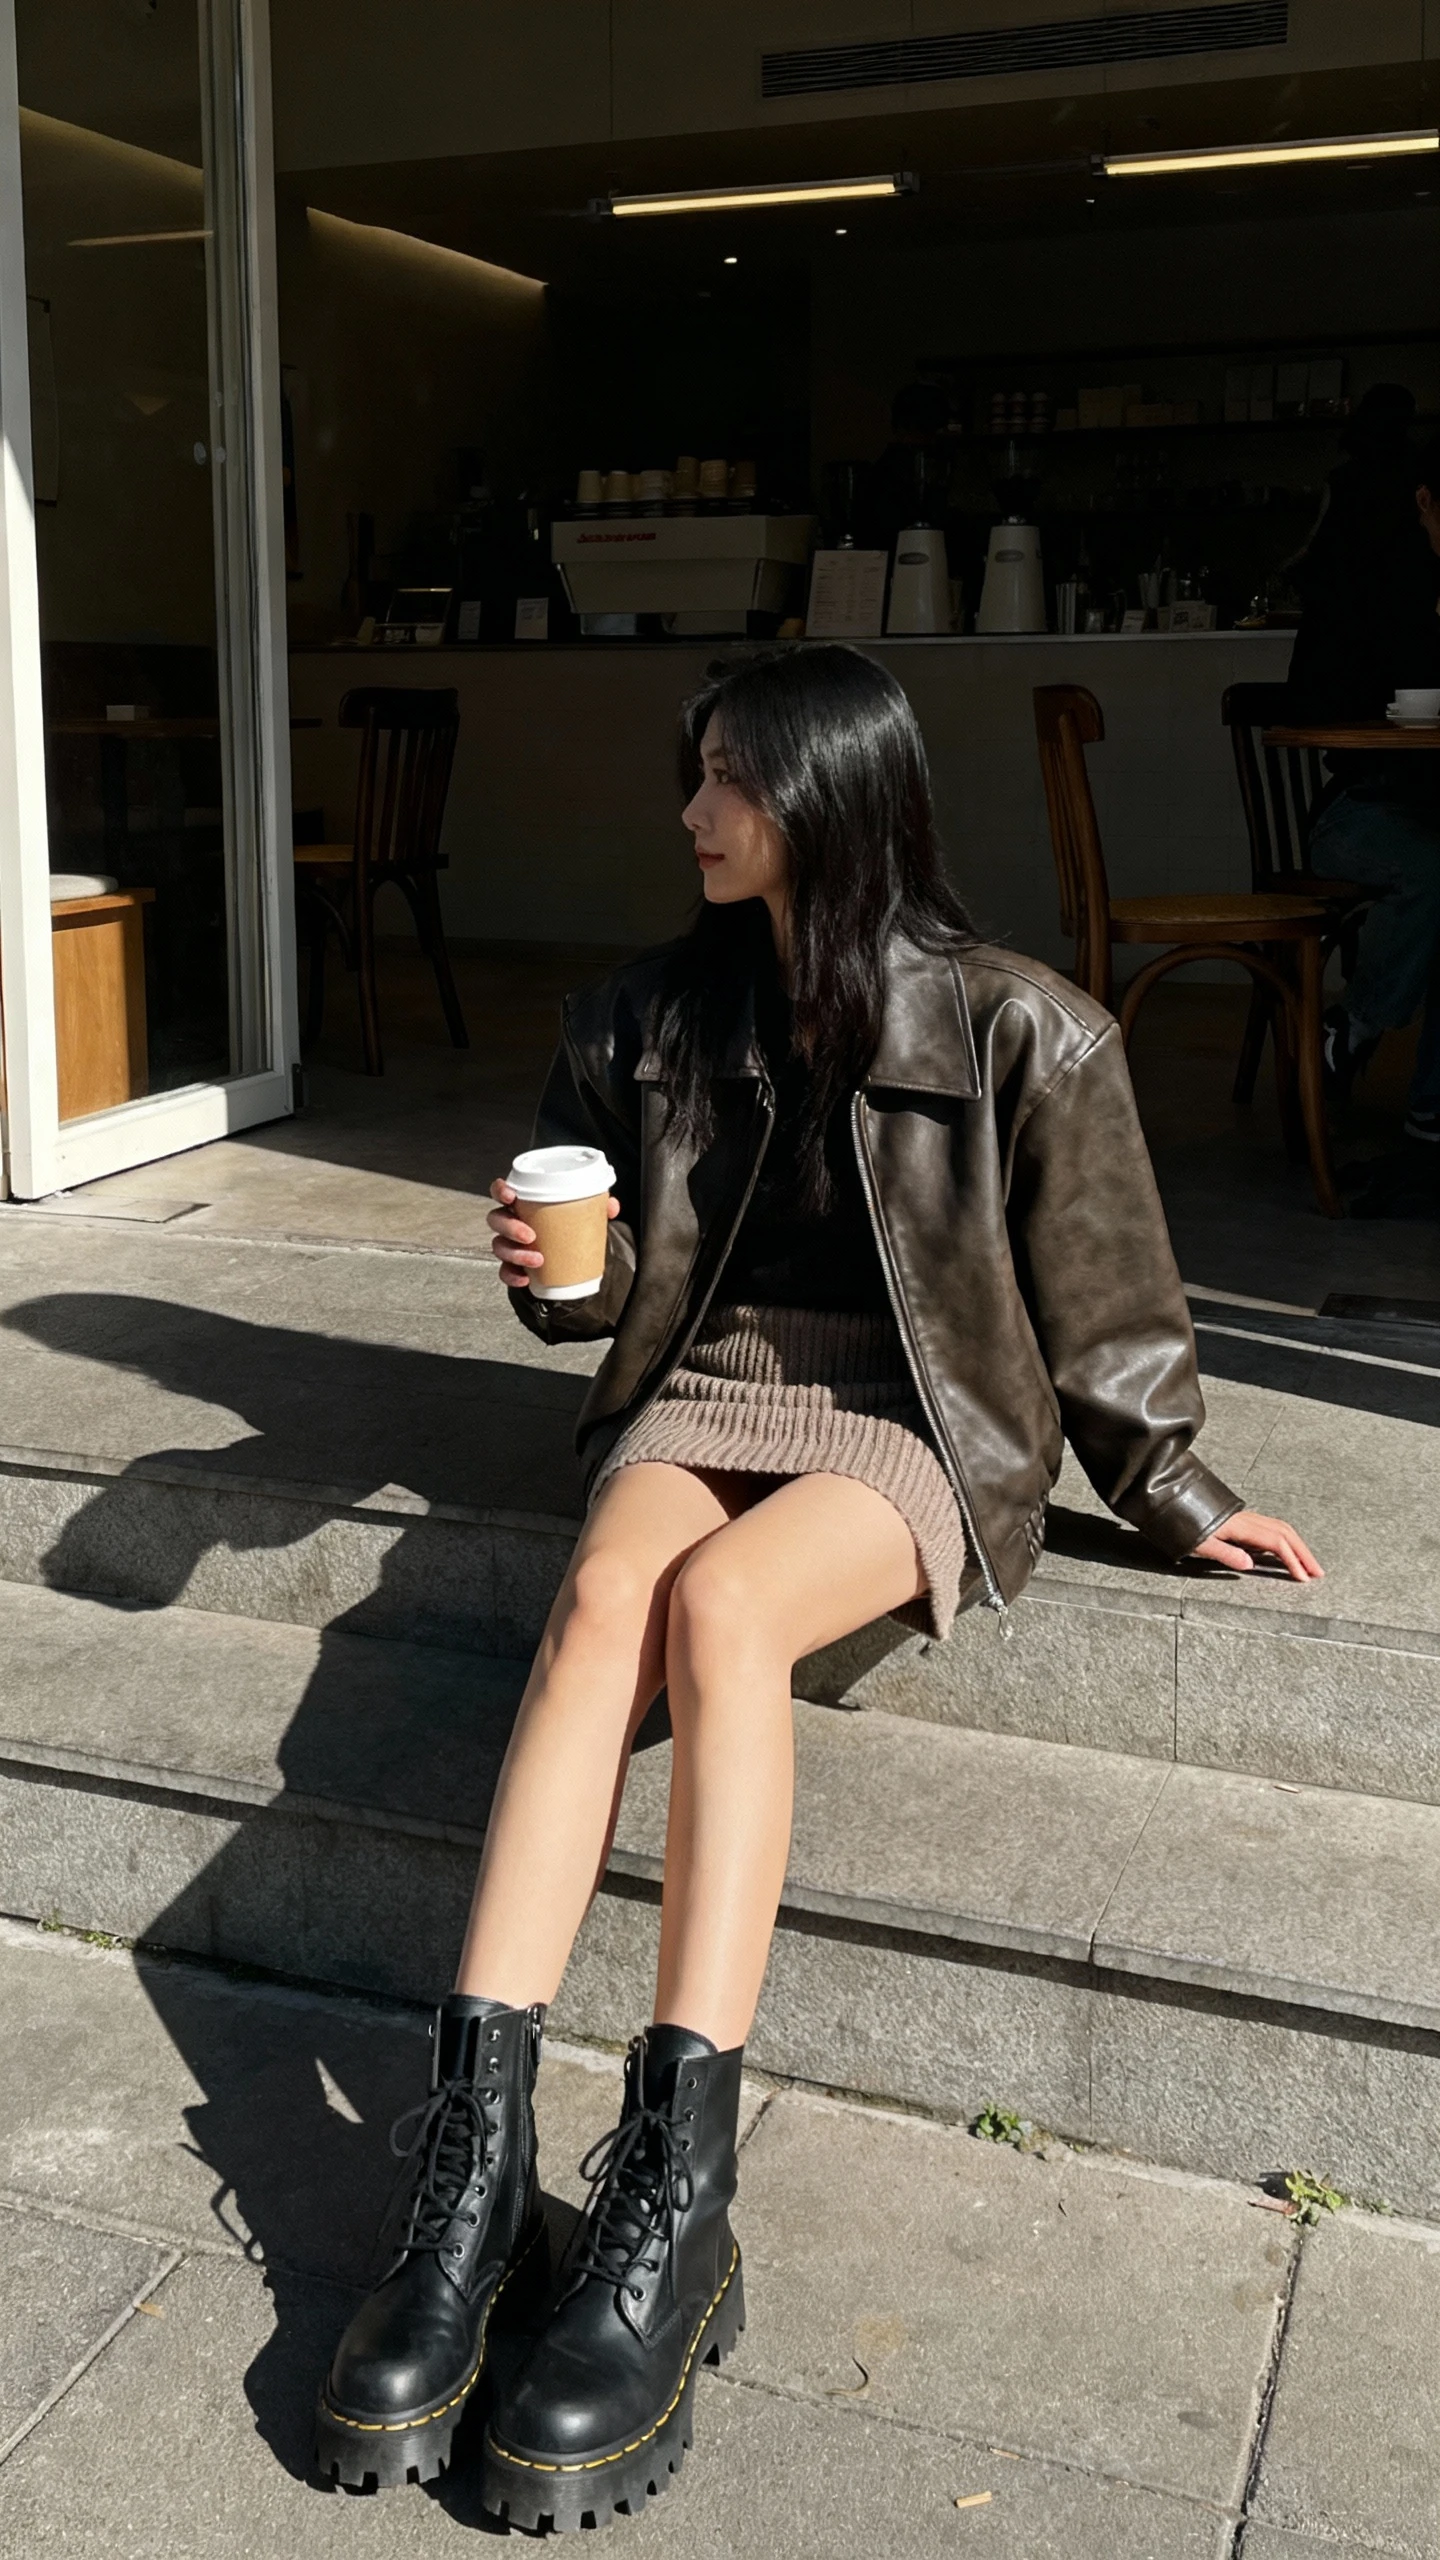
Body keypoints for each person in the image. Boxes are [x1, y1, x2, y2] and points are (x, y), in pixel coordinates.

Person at [314, 645, 1320, 2529]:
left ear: (833, 795)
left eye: (730, 780)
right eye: (693, 774)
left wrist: (1176, 1490)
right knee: (602, 1607)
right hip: (708, 1389)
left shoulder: (1025, 1030)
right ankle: (473, 2176)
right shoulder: (638, 1016)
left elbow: (1104, 1310)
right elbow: (620, 1291)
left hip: (910, 1418)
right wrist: (559, 1284)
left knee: (724, 1611)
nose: (694, 813)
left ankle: (676, 2196)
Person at [1287, 392, 1440, 1142]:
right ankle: (1357, 1028)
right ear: (1423, 501)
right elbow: (1315, 706)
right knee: (1434, 869)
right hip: (1362, 807)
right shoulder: (1374, 581)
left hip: (1416, 806)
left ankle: (1429, 1103)